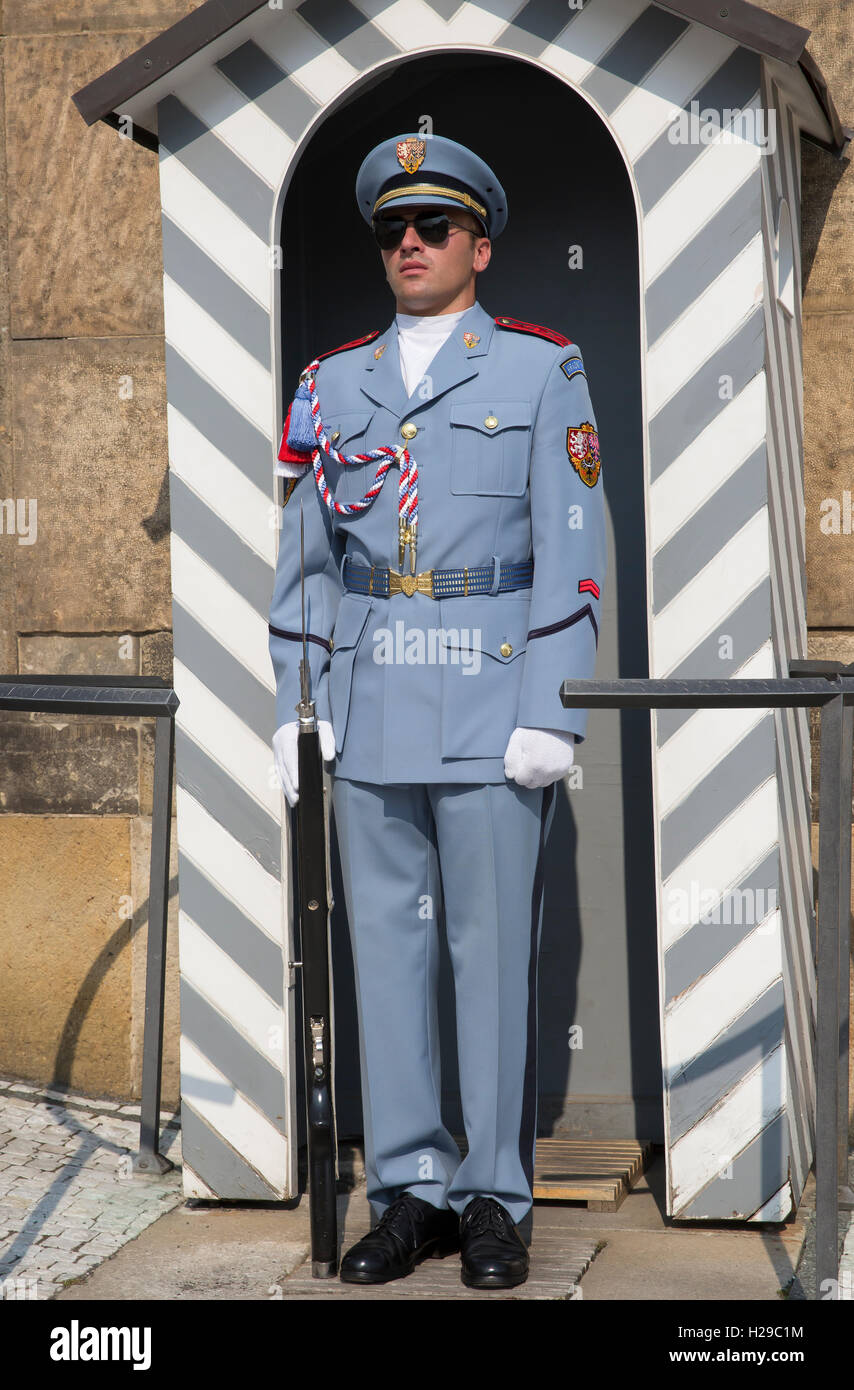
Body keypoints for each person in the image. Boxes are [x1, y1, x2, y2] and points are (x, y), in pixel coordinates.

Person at [268, 132, 605, 1289]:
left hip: (490, 691)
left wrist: (550, 707)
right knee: (384, 954)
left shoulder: (539, 369)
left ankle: (492, 1197)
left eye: (433, 228)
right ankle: (407, 1190)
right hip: (369, 702)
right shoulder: (331, 383)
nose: (408, 245)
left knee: (488, 955)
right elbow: (307, 563)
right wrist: (292, 703)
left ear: (480, 245)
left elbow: (573, 550)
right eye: (391, 231)